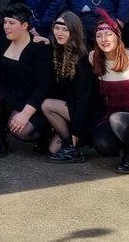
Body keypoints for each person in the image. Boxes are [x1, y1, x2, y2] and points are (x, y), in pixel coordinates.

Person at [0, 3, 52, 158]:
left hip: (30, 101)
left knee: (21, 131)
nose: (6, 27)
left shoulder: (39, 48)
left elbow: (42, 87)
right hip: (8, 94)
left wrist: (25, 114)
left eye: (12, 23)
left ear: (25, 25)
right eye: (5, 22)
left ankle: (46, 135)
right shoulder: (2, 41)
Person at [89, 9, 129, 174]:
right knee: (103, 145)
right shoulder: (94, 59)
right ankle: (125, 145)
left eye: (108, 34)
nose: (104, 39)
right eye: (99, 35)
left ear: (118, 36)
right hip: (111, 118)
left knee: (118, 119)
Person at [40, 11, 99, 163]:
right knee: (52, 150)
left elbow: (83, 99)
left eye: (65, 29)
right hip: (70, 108)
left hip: (87, 114)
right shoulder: (58, 50)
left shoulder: (82, 59)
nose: (59, 33)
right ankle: (70, 145)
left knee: (47, 105)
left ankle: (74, 147)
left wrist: (76, 130)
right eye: (57, 28)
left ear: (74, 32)